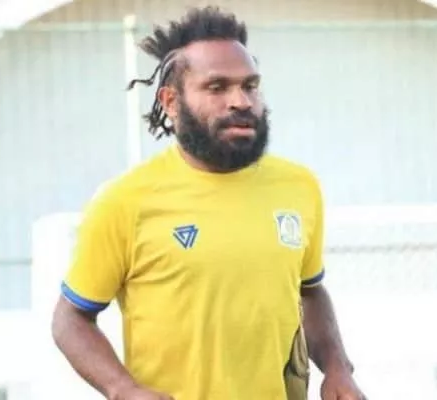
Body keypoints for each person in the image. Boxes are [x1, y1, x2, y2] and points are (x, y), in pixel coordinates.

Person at [51, 6, 365, 400]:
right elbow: (70, 319)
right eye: (217, 87)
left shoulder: (299, 187)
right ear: (171, 101)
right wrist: (123, 389)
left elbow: (309, 291)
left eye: (250, 86)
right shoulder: (124, 201)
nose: (241, 101)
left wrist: (337, 368)